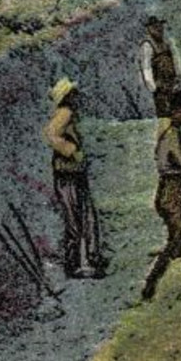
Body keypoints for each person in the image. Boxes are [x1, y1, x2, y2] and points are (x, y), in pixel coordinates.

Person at [142, 88, 181, 300]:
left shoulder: (174, 133)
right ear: (176, 111)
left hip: (175, 187)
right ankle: (153, 283)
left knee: (178, 236)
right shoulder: (170, 134)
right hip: (171, 189)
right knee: (178, 235)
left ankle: (165, 284)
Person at [43, 77, 106, 279]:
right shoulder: (65, 113)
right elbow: (51, 134)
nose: (77, 97)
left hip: (73, 172)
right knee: (75, 219)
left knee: (83, 217)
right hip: (67, 174)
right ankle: (75, 264)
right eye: (73, 94)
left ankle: (85, 261)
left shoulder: (72, 114)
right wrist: (70, 150)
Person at [139, 15, 181, 118]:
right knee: (163, 111)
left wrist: (179, 75)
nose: (158, 28)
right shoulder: (147, 45)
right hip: (159, 84)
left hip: (171, 81)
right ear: (149, 29)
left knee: (175, 109)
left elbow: (176, 59)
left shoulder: (167, 42)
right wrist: (152, 85)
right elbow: (146, 66)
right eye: (155, 26)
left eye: (159, 26)